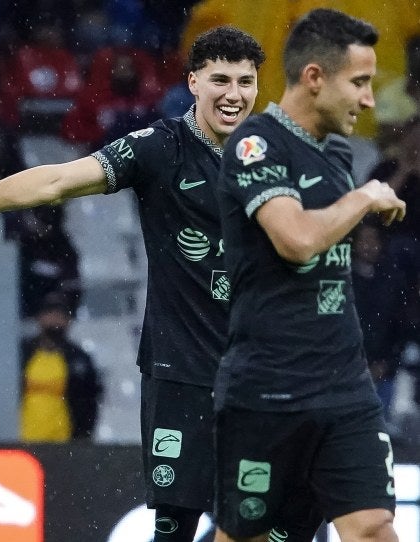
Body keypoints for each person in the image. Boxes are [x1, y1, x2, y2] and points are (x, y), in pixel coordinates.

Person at [0, 25, 322, 542]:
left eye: (245, 81)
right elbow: (56, 180)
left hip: (261, 371)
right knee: (173, 529)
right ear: (192, 82)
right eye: (220, 80)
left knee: (277, 527)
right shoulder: (157, 148)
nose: (234, 94)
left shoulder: (274, 157)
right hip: (181, 371)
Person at [212, 9, 406, 542]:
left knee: (372, 527)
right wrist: (364, 197)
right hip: (267, 391)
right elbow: (295, 241)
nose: (369, 100)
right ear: (314, 77)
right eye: (359, 83)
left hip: (344, 387)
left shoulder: (338, 151)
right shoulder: (255, 144)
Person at [19, 292, 102, 442]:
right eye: (50, 313)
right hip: (22, 441)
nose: (55, 319)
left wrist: (82, 437)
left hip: (65, 442)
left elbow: (89, 401)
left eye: (60, 314)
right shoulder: (22, 355)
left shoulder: (79, 359)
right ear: (39, 317)